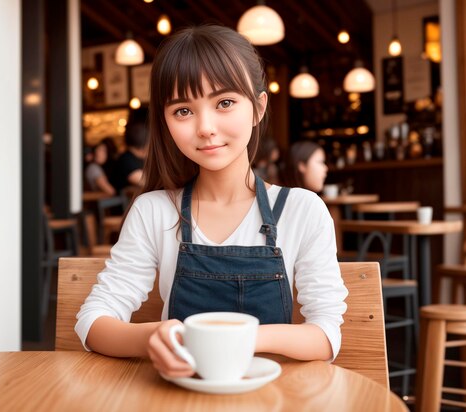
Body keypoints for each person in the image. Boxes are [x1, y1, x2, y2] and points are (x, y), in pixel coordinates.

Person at [76, 25, 347, 378]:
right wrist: (150, 337)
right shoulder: (155, 211)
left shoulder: (302, 210)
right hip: (175, 398)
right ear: (166, 122)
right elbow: (93, 321)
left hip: (272, 399)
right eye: (183, 111)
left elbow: (326, 336)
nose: (205, 127)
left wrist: (234, 339)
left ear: (258, 108)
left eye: (225, 103)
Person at [110, 108, 148, 194]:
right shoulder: (126, 160)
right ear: (144, 144)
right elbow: (146, 182)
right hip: (123, 206)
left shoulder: (134, 158)